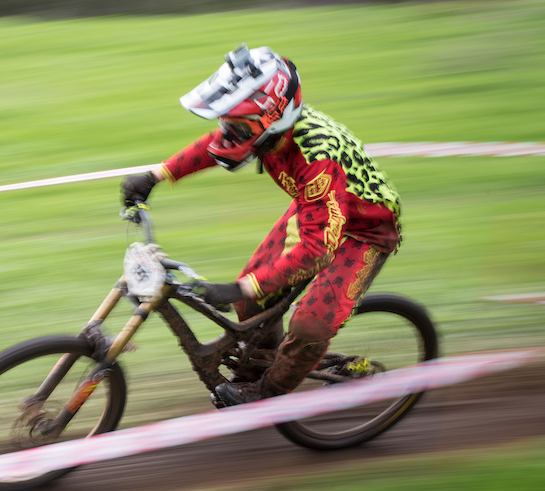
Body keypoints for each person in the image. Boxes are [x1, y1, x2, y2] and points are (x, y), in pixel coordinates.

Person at [121, 44, 402, 408]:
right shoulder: (266, 134)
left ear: (274, 119)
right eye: (226, 122)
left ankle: (267, 393)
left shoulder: (316, 157)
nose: (227, 133)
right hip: (316, 211)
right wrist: (155, 175)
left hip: (364, 231)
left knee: (308, 325)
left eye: (236, 126)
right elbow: (216, 146)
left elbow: (316, 251)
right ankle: (259, 368)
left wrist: (238, 287)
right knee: (252, 305)